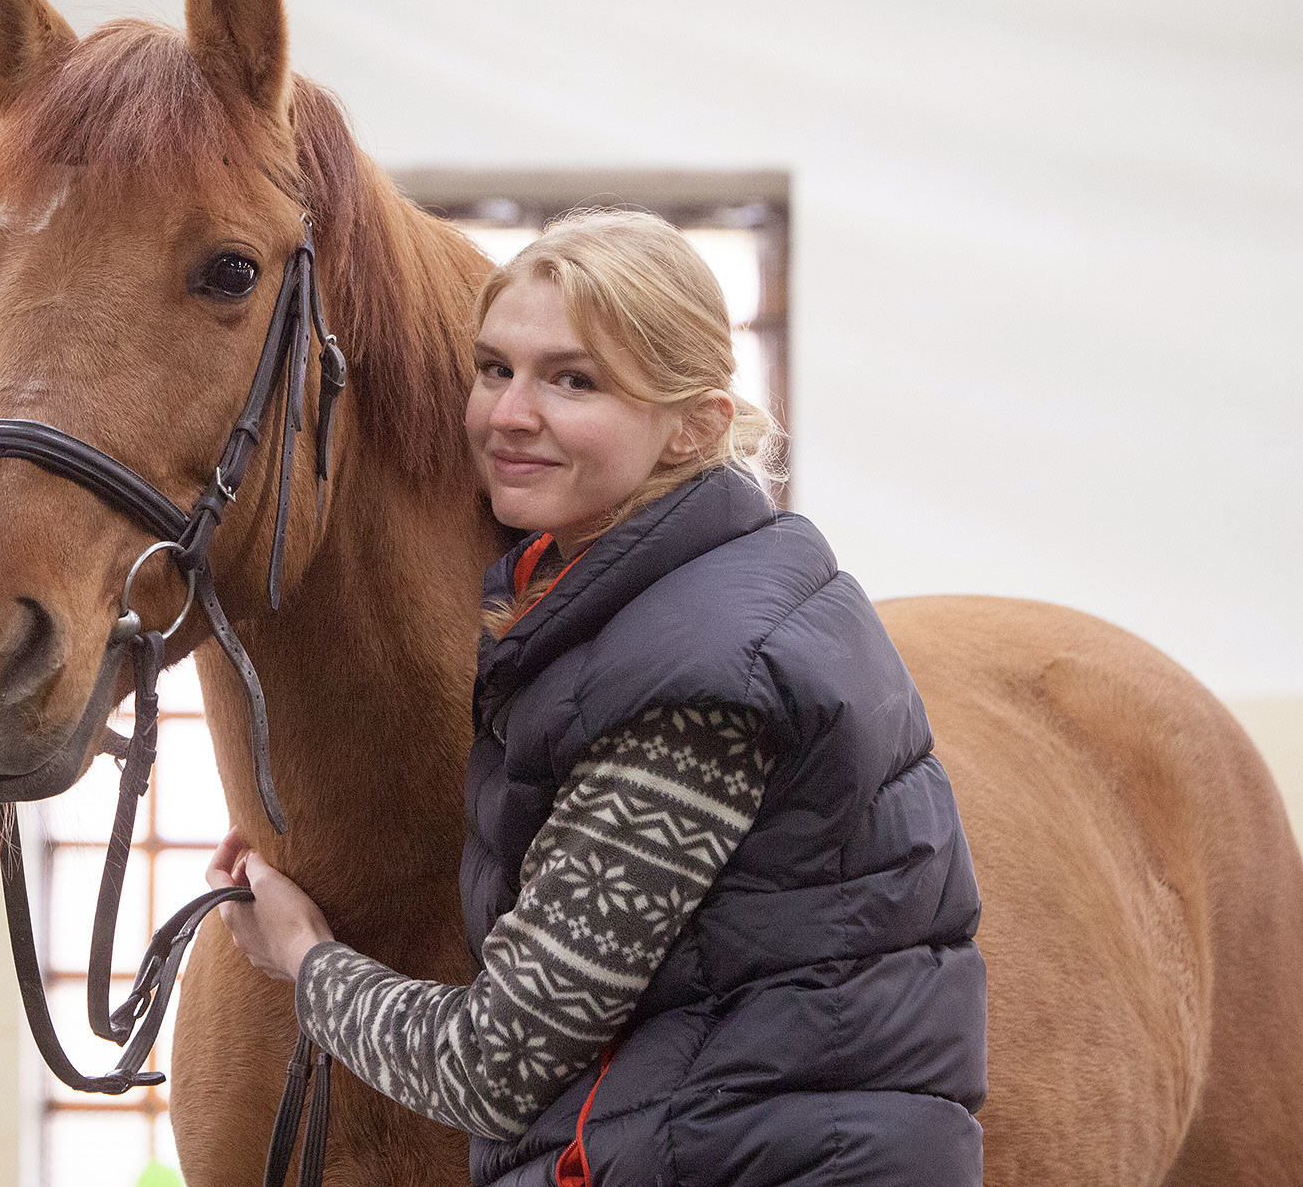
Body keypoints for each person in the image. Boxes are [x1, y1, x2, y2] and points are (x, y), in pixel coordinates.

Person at [208, 208, 988, 1187]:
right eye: (493, 368)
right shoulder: (641, 609)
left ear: (693, 426)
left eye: (572, 380)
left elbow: (493, 1065)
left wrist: (301, 956)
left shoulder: (700, 682)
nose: (508, 414)